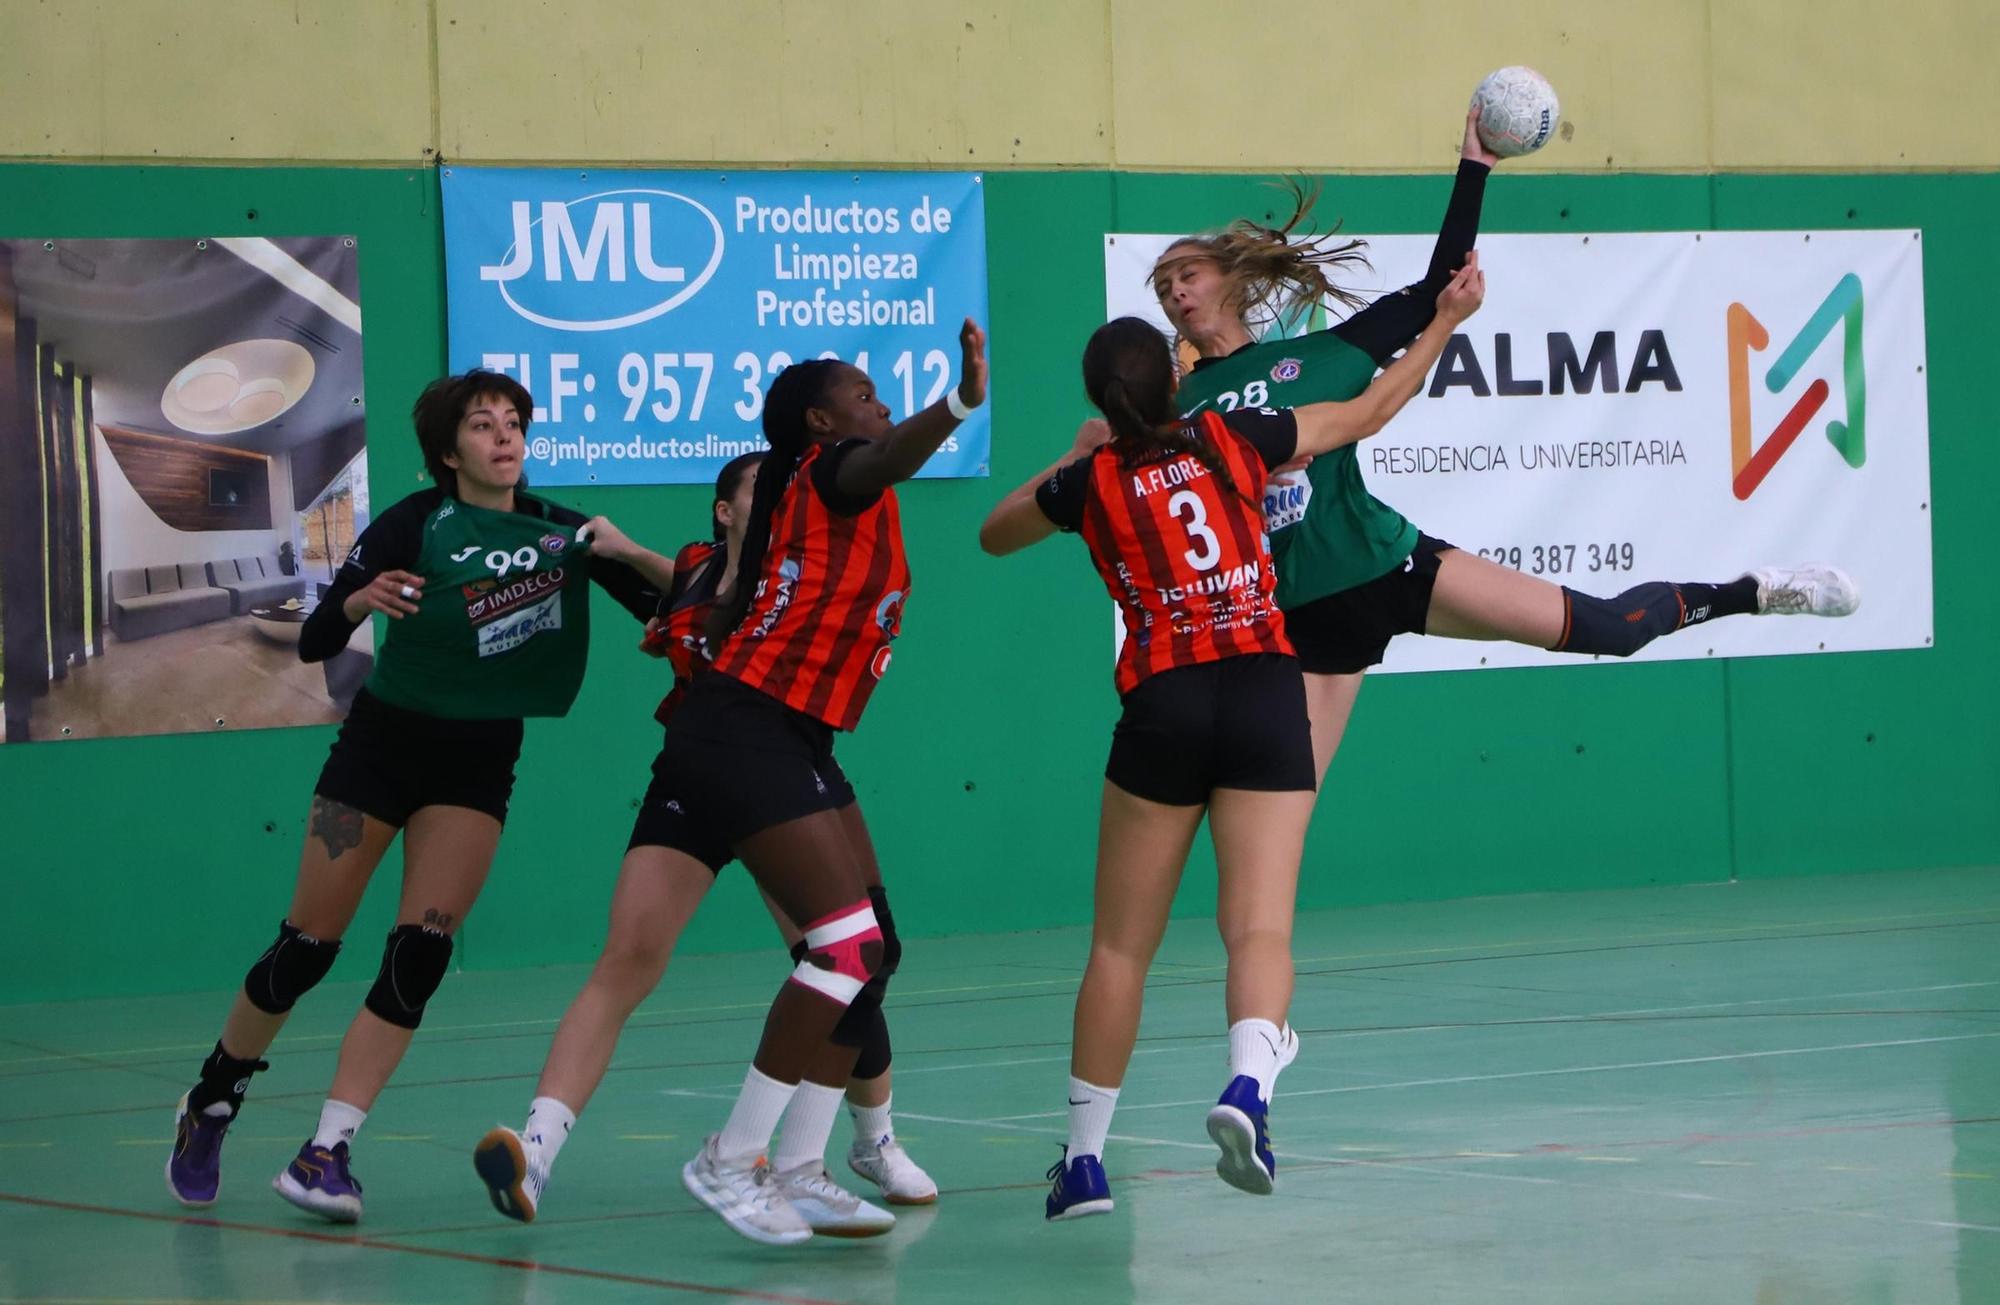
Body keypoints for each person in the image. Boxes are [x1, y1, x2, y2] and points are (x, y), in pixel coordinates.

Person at [978, 268, 1482, 1219]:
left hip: (1162, 706)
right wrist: (1444, 324)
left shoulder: (1091, 480)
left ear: (1101, 401)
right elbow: (1369, 410)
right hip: (1260, 691)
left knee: (1121, 950)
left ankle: (1084, 1161)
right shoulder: (1230, 434)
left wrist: (1072, 457)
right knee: (1257, 927)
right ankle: (1248, 1085)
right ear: (1177, 386)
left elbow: (993, 536)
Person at [1154, 107, 1858, 782]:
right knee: (1275, 810)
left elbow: (1439, 289)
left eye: (1189, 273)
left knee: (1612, 627)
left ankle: (1752, 592)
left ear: (1231, 278)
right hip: (1298, 617)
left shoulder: (1319, 356)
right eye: (1164, 286)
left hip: (1386, 563)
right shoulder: (1178, 410)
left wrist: (1475, 166)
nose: (1178, 291)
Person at [164, 371, 675, 1223]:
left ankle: (327, 1151)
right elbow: (317, 638)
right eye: (484, 425)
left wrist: (625, 550)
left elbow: (682, 606)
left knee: (419, 956)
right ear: (450, 450)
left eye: (515, 422)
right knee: (306, 948)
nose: (505, 436)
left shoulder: (564, 532)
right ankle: (212, 1098)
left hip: (476, 766)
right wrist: (361, 597)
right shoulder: (413, 521)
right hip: (374, 754)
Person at [472, 451, 936, 1231]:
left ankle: (868, 1140)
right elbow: (667, 574)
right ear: (723, 511)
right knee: (628, 959)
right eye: (763, 488)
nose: (785, 497)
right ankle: (536, 1151)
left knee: (855, 954)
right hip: (694, 774)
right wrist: (610, 546)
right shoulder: (694, 569)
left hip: (783, 770)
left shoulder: (798, 568)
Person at [652, 320, 987, 1245]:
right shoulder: (830, 473)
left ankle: (800, 1167)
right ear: (820, 419)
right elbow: (885, 453)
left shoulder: (850, 499)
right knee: (837, 946)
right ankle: (729, 1158)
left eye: (881, 394)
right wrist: (957, 400)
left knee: (872, 951)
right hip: (742, 726)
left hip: (798, 734)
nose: (877, 403)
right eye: (863, 393)